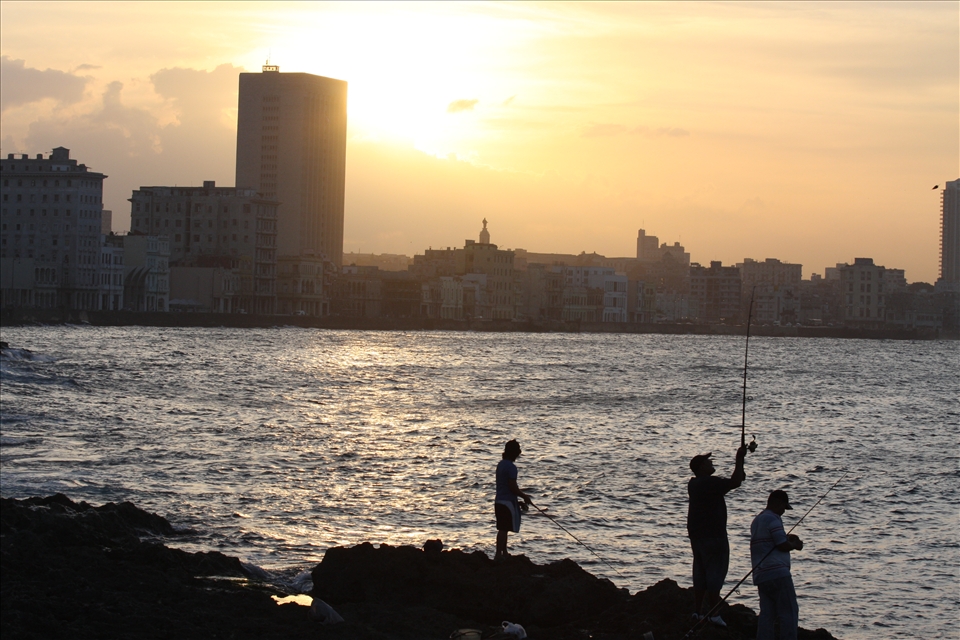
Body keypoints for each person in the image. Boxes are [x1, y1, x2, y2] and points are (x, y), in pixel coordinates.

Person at [686, 445, 746, 626]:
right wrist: (740, 457)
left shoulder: (695, 484)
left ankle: (698, 611)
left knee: (700, 572)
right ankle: (714, 613)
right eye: (707, 461)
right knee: (715, 574)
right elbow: (735, 482)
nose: (711, 462)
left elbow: (733, 481)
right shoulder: (708, 483)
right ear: (701, 468)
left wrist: (738, 473)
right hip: (714, 536)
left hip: (697, 536)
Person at [750, 489, 804, 640]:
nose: (783, 512)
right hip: (778, 574)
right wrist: (794, 545)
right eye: (783, 507)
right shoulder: (773, 519)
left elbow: (771, 541)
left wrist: (787, 539)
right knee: (789, 612)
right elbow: (781, 545)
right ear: (777, 503)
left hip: (761, 574)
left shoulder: (757, 520)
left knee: (767, 614)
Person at [494, 439, 532, 561]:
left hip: (499, 500)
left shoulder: (501, 464)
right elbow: (512, 487)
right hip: (507, 503)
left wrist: (518, 501)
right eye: (518, 450)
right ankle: (499, 554)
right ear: (513, 452)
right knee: (504, 529)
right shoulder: (511, 467)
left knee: (502, 528)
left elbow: (506, 487)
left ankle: (503, 552)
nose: (519, 453)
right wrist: (525, 497)